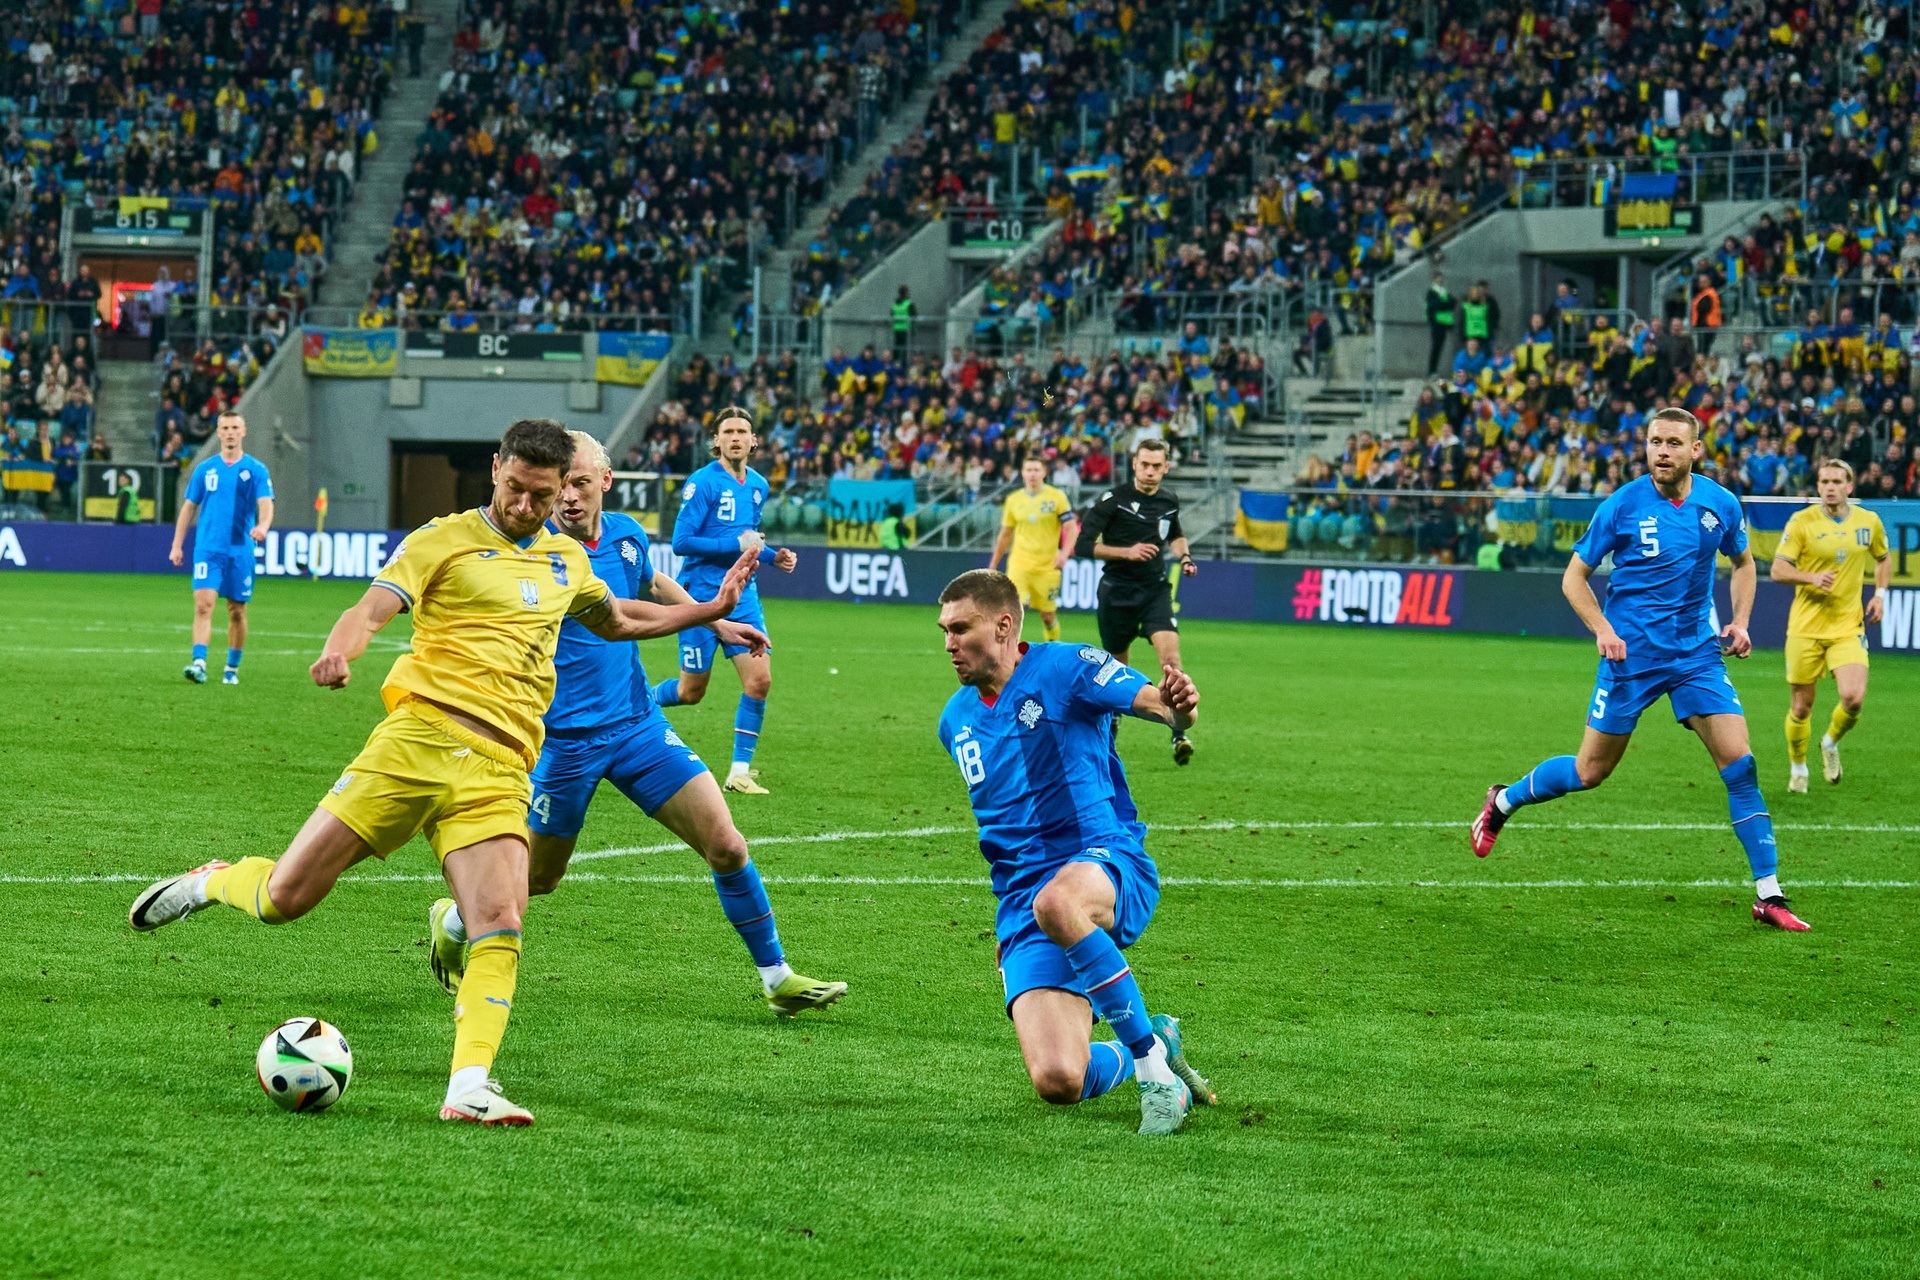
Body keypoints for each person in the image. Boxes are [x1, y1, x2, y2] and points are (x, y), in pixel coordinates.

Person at [129, 418, 762, 1127]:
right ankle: (213, 881)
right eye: (515, 488)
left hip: (501, 767)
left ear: (561, 487)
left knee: (501, 919)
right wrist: (341, 651)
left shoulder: (566, 558)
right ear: (495, 469)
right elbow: (370, 610)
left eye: (541, 495)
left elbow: (617, 620)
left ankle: (469, 1085)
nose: (525, 505)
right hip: (416, 745)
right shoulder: (441, 539)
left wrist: (710, 613)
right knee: (286, 897)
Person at [428, 432, 846, 1017]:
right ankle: (451, 921)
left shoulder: (625, 535)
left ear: (606, 481)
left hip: (636, 727)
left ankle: (777, 978)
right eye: (561, 485)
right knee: (536, 882)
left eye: (580, 482)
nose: (568, 496)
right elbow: (616, 614)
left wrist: (717, 625)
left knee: (727, 845)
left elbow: (651, 582)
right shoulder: (532, 552)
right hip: (563, 744)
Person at [1471, 407, 1810, 932]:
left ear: (1695, 449)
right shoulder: (1622, 505)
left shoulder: (1720, 504)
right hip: (1631, 658)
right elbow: (1573, 578)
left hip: (1696, 655)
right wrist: (1603, 630)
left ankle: (1769, 894)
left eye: (1673, 443)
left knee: (1740, 766)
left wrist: (1741, 621)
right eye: (1655, 442)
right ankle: (1504, 800)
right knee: (1590, 772)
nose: (1662, 452)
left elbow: (1743, 563)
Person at [934, 569, 1215, 1135]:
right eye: (944, 631)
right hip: (1024, 903)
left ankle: (1154, 1074)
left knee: (1059, 903)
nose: (949, 644)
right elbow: (1004, 826)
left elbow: (1155, 703)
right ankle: (1156, 1037)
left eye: (961, 629)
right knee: (1060, 1079)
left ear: (1004, 626)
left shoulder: (1068, 666)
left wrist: (1176, 709)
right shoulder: (955, 722)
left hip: (1106, 859)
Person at [654, 406, 798, 794]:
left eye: (742, 432)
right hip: (699, 598)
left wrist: (774, 557)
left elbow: (748, 539)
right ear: (716, 440)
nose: (735, 438)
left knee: (760, 681)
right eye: (728, 432)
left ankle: (739, 771)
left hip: (743, 595)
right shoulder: (702, 483)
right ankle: (638, 701)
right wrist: (732, 544)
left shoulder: (759, 485)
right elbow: (682, 542)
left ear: (754, 441)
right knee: (690, 692)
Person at [1074, 439, 1198, 765]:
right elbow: (1083, 545)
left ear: (1166, 467)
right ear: (1134, 464)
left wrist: (1184, 556)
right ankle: (1113, 722)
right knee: (1118, 669)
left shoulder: (1169, 500)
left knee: (1171, 662)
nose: (1150, 471)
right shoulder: (1113, 500)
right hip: (1117, 593)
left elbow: (1175, 534)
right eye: (1145, 464)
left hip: (1155, 591)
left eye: (1157, 466)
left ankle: (1179, 733)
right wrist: (1126, 552)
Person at [1770, 458, 1889, 791]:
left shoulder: (1869, 521)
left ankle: (1830, 743)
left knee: (1853, 698)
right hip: (1805, 628)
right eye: (1824, 482)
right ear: (1818, 486)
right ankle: (1798, 768)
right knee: (1801, 707)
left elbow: (1883, 558)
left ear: (1849, 486)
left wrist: (1880, 595)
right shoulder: (1802, 522)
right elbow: (1778, 570)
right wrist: (1810, 577)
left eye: (1837, 482)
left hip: (1847, 626)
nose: (1830, 488)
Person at [169, 411, 273, 685]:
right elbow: (188, 507)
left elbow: (265, 503)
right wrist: (177, 545)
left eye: (235, 428)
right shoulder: (205, 469)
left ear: (243, 432)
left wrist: (263, 526)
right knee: (204, 606)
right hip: (208, 549)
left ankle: (231, 668)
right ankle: (199, 663)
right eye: (225, 428)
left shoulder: (256, 469)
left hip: (240, 551)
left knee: (236, 610)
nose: (230, 433)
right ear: (218, 432)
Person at [988, 455, 1079, 642]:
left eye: (1036, 470)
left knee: (1047, 616)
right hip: (1019, 564)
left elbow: (1071, 528)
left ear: (1044, 472)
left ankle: (1052, 649)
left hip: (1047, 567)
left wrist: (1064, 554)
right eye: (1028, 470)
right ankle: (1007, 653)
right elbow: (1005, 535)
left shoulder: (1056, 497)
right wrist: (993, 564)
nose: (1032, 474)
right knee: (1011, 611)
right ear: (1022, 473)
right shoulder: (1013, 500)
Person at [1425, 273, 1456, 377]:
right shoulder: (1432, 292)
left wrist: (1444, 304)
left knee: (1440, 347)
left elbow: (1453, 303)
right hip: (1436, 323)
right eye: (1438, 278)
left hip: (1445, 323)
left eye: (1441, 278)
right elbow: (1436, 305)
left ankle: (1434, 370)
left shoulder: (1444, 291)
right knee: (1436, 347)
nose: (1440, 280)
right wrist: (1446, 303)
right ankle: (1432, 370)